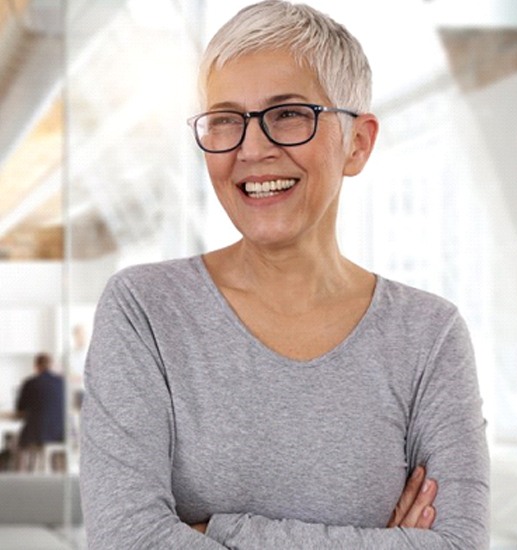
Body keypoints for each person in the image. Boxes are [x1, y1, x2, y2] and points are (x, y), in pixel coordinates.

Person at [80, 1, 490, 548]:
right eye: (226, 119)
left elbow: (460, 544)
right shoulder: (145, 311)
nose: (251, 149)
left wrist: (222, 531)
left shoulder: (429, 336)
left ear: (358, 143)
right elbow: (125, 539)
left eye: (289, 114)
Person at [16, 352, 65, 471]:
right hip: (59, 433)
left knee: (16, 444)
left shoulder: (30, 383)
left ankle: (23, 476)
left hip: (35, 433)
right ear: (51, 365)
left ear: (36, 366)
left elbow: (20, 408)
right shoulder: (62, 383)